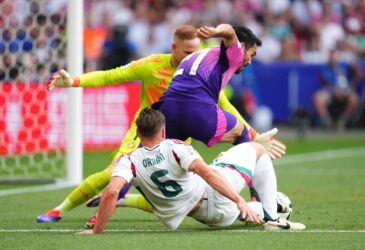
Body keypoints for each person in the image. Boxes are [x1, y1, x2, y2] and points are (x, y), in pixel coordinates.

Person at [37, 25, 283, 223]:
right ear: (174, 48)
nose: (192, 55)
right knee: (114, 174)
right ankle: (64, 210)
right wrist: (74, 81)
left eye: (195, 50)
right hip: (147, 128)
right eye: (187, 51)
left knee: (168, 190)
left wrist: (253, 133)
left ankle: (119, 201)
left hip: (174, 132)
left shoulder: (198, 69)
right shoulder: (153, 64)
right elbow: (110, 75)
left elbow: (225, 105)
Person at [79, 108, 305, 234]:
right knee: (258, 149)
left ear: (137, 133)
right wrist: (239, 200)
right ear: (164, 130)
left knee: (224, 172)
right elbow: (208, 174)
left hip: (211, 218)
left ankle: (270, 207)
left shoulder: (128, 161)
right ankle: (274, 217)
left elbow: (110, 192)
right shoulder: (175, 147)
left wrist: (96, 230)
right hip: (215, 195)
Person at [153, 24, 284, 154]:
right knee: (240, 133)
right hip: (197, 107)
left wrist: (254, 135)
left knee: (161, 155)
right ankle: (236, 173)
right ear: (242, 47)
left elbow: (225, 104)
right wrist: (215, 32)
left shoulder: (199, 58)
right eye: (252, 54)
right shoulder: (235, 54)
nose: (250, 61)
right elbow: (230, 31)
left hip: (167, 109)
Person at [313, 50, 364, 130]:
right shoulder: (325, 68)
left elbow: (360, 74)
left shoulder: (344, 66)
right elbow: (327, 84)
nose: (334, 59)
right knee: (317, 98)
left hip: (345, 90)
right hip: (331, 91)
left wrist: (355, 66)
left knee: (354, 99)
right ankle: (327, 122)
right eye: (332, 58)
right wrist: (335, 91)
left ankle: (342, 121)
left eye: (335, 57)